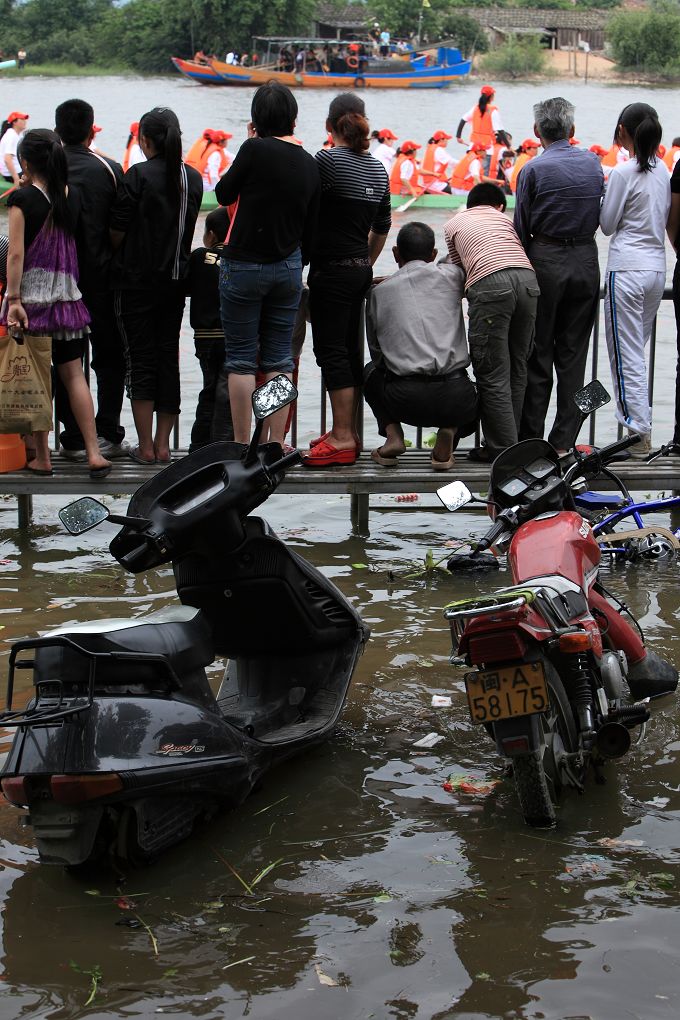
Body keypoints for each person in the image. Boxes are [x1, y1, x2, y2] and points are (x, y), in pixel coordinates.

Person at [1, 129, 111, 478]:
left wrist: (13, 298)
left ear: (27, 162)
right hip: (68, 301)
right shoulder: (71, 195)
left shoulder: (22, 200)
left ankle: (43, 457)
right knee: (74, 375)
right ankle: (94, 452)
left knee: (37, 380)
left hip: (31, 303)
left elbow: (15, 255)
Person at [215, 82, 320, 447]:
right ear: (292, 119)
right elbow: (311, 225)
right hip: (289, 267)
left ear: (256, 120)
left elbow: (224, 193)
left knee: (242, 361)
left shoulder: (254, 149)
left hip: (244, 264)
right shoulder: (310, 162)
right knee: (279, 360)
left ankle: (243, 445)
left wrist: (250, 143)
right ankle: (275, 443)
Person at [110, 107, 203, 465]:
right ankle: (164, 446)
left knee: (140, 359)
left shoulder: (138, 176)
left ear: (145, 140)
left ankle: (145, 446)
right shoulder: (192, 178)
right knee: (167, 358)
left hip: (135, 283)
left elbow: (117, 230)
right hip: (176, 284)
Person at [304, 92, 391, 468]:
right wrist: (364, 262)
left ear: (329, 126)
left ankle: (341, 437)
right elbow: (382, 227)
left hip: (332, 270)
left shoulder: (326, 160)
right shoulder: (378, 169)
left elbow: (305, 209)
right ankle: (348, 431)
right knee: (348, 350)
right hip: (357, 272)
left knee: (331, 352)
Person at [514, 96, 604, 452]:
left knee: (539, 354)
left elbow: (520, 229)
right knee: (574, 356)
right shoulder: (594, 163)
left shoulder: (532, 170)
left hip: (545, 260)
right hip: (586, 260)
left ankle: (531, 439)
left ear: (537, 132)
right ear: (572, 131)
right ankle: (565, 440)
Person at [364, 221, 478, 470]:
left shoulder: (378, 294)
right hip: (456, 396)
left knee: (370, 371)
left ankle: (393, 436)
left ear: (396, 253)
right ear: (433, 254)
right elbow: (458, 259)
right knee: (478, 397)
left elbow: (377, 351)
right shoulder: (453, 276)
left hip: (404, 400)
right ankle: (449, 432)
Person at [54, 98, 127, 462]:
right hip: (100, 278)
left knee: (64, 360)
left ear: (57, 131)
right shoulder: (110, 169)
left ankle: (71, 435)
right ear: (90, 129)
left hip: (55, 283)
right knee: (109, 357)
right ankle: (108, 431)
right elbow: (121, 225)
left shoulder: (46, 171)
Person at [445, 183, 540, 460]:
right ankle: (515, 445)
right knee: (518, 367)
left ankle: (502, 449)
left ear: (470, 202)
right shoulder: (504, 220)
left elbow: (458, 273)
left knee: (492, 371)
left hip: (490, 284)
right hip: (528, 281)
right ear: (499, 205)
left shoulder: (454, 223)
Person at [600, 103, 670, 459]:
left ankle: (638, 432)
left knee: (624, 354)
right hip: (656, 270)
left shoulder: (623, 173)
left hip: (626, 270)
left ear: (624, 130)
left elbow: (608, 224)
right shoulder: (664, 172)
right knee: (636, 355)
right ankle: (639, 427)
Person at [186, 207, 234, 451]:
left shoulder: (198, 257)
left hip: (205, 337)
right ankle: (222, 444)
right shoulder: (240, 258)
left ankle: (199, 444)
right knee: (227, 392)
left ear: (211, 235)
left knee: (209, 388)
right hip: (233, 336)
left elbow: (186, 286)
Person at [456, 85, 502, 153]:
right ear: (491, 97)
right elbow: (500, 130)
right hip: (487, 149)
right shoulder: (493, 110)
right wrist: (508, 146)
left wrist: (458, 136)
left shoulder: (475, 108)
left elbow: (463, 120)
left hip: (473, 146)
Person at [0, 112, 29, 183]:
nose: (25, 121)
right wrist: (16, 178)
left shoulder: (16, 135)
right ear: (14, 122)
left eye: (25, 119)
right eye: (22, 119)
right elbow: (7, 159)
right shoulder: (11, 136)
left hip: (15, 171)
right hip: (11, 174)